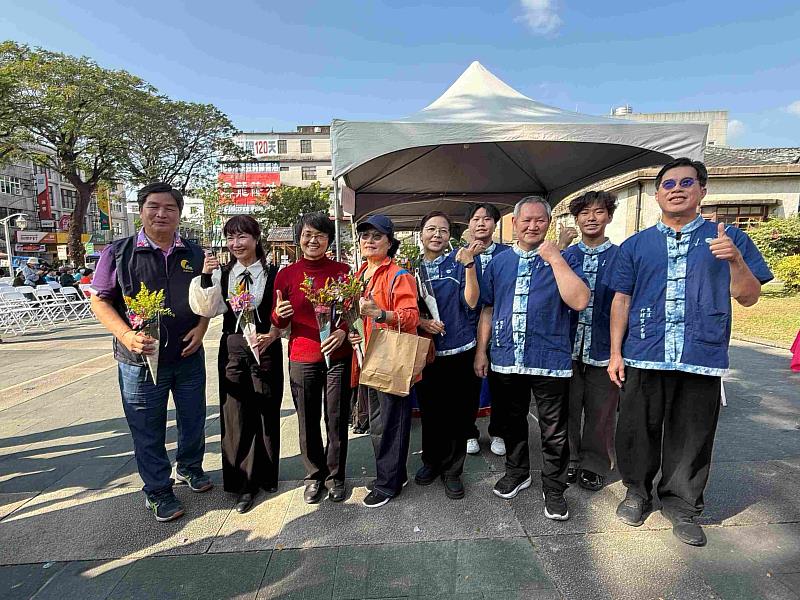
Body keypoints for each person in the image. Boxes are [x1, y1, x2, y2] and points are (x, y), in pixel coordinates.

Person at [608, 158, 773, 546]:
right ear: (657, 194)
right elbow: (621, 300)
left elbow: (748, 297)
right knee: (636, 429)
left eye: (686, 182)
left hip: (701, 354)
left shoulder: (729, 238)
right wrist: (616, 351)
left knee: (693, 435)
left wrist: (734, 259)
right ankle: (636, 493)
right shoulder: (636, 244)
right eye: (668, 184)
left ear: (702, 190)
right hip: (645, 351)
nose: (676, 189)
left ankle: (682, 506)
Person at [90, 182, 211, 523]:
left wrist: (201, 330)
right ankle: (158, 490)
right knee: (147, 427)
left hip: (187, 357)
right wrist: (126, 335)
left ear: (179, 213)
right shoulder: (118, 252)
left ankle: (190, 467)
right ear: (140, 210)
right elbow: (98, 299)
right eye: (154, 207)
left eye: (169, 208)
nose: (161, 214)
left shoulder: (195, 253)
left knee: (193, 419)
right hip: (138, 362)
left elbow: (207, 299)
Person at [474, 196, 589, 521]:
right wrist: (482, 351)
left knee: (554, 430)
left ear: (548, 224)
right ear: (515, 223)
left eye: (540, 220)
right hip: (505, 358)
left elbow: (579, 300)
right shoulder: (499, 262)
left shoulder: (563, 259)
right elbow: (488, 308)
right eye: (526, 220)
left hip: (550, 360)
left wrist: (555, 258)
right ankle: (517, 471)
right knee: (511, 422)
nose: (532, 225)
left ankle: (553, 487)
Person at [189, 215, 283, 514]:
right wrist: (205, 276)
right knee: (235, 413)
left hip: (266, 346)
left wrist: (275, 332)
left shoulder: (273, 272)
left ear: (256, 238)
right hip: (233, 347)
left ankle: (267, 474)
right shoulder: (223, 273)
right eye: (230, 237)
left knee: (267, 410)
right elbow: (208, 308)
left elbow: (283, 313)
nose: (236, 244)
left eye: (242, 237)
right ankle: (242, 483)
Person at [271, 212, 352, 504]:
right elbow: (278, 320)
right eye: (307, 234)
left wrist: (343, 332)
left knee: (336, 417)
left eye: (319, 234)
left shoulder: (343, 271)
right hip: (302, 355)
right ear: (299, 238)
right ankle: (314, 476)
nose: (313, 240)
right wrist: (278, 316)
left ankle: (336, 477)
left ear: (329, 238)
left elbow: (350, 313)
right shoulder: (287, 274)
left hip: (338, 355)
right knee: (307, 419)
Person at [348, 215, 419, 508]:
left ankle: (388, 484)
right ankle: (393, 474)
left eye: (376, 236)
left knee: (391, 422)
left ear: (389, 242)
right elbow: (354, 314)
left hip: (390, 356)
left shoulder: (399, 275)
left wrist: (380, 314)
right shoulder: (360, 273)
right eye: (365, 236)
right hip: (366, 357)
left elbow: (411, 316)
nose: (369, 241)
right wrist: (353, 331)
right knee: (377, 422)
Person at [414, 211, 483, 499]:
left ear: (449, 236)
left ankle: (453, 471)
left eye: (443, 230)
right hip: (428, 353)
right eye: (431, 229)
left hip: (460, 350)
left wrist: (469, 267)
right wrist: (421, 322)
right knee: (431, 413)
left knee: (458, 414)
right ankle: (431, 462)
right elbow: (408, 312)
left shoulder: (460, 263)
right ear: (421, 234)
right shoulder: (412, 270)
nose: (437, 234)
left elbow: (472, 302)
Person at [560, 191, 621, 492]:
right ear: (576, 219)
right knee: (568, 407)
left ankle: (594, 464)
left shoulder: (621, 256)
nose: (591, 218)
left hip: (604, 347)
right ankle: (571, 460)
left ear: (609, 216)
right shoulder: (567, 257)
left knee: (601, 411)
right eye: (584, 213)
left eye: (598, 212)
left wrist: (619, 350)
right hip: (568, 346)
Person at [465, 203, 511, 457]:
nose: (481, 223)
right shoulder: (459, 255)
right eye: (475, 219)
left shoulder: (507, 254)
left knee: (500, 384)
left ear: (495, 224)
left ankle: (499, 432)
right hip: (466, 329)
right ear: (469, 225)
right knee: (468, 385)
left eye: (487, 219)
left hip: (501, 328)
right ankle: (468, 432)